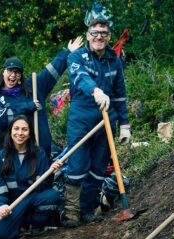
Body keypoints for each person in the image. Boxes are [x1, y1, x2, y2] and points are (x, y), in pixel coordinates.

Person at [63, 18, 131, 227]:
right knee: (77, 165)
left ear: (109, 36)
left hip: (106, 122)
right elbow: (80, 76)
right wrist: (96, 90)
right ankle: (71, 213)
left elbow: (119, 94)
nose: (99, 37)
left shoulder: (114, 60)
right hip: (81, 120)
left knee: (98, 167)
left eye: (103, 33)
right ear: (88, 35)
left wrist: (124, 125)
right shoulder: (77, 57)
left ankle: (88, 209)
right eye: (95, 33)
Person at [0, 37, 83, 158]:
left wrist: (68, 52)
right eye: (10, 71)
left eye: (17, 72)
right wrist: (29, 106)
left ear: (21, 75)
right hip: (12, 154)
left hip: (40, 150)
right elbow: (1, 121)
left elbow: (52, 70)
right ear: (3, 72)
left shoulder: (33, 86)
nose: (13, 75)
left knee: (44, 176)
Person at [0, 115, 63, 239]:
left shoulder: (39, 154)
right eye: (16, 129)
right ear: (10, 131)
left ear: (30, 134)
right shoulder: (0, 157)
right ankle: (21, 223)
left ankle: (37, 223)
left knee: (53, 195)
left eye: (24, 129)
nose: (20, 133)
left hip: (34, 200)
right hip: (12, 205)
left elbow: (44, 186)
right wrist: (1, 205)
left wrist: (50, 172)